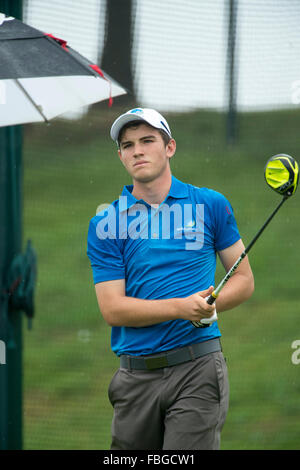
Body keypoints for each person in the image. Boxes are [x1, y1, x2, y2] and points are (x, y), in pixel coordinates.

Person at [87, 107, 254, 450]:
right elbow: (113, 309)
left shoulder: (209, 204)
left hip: (198, 367)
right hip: (135, 376)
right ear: (120, 155)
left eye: (148, 140)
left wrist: (210, 305)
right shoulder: (105, 224)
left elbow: (244, 279)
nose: (138, 150)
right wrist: (181, 307)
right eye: (128, 144)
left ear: (169, 147)